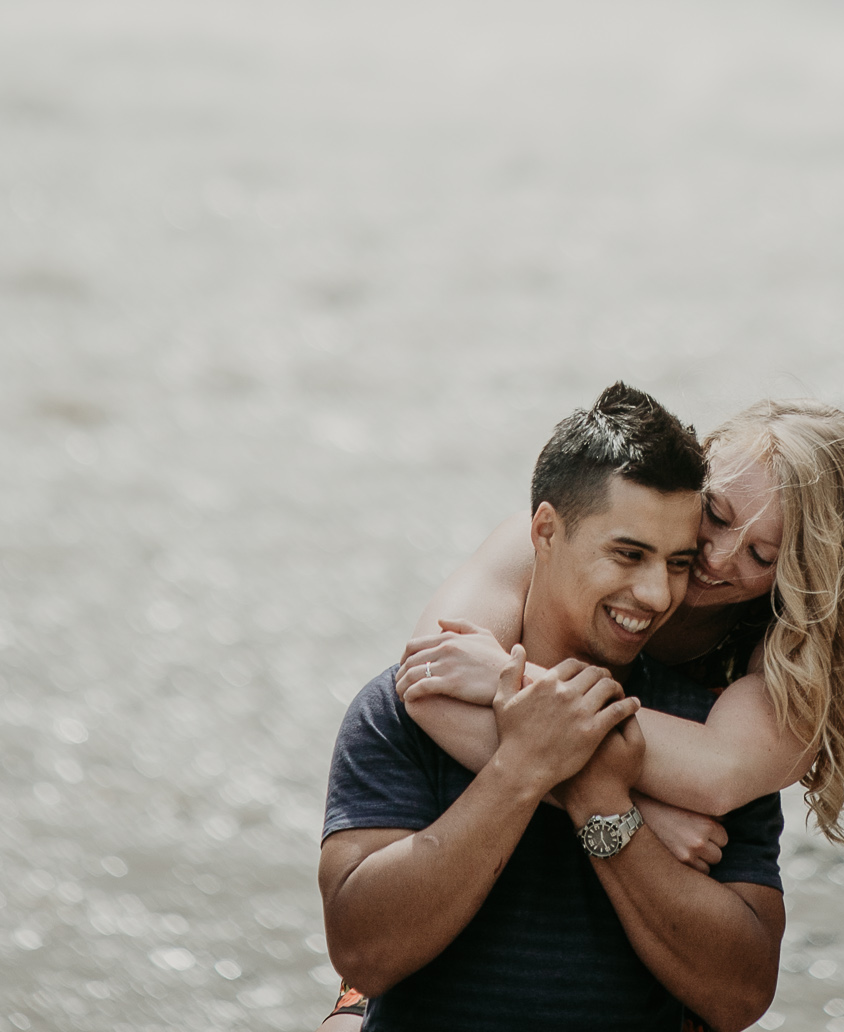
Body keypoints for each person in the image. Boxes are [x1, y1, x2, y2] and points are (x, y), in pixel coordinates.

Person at [318, 384, 786, 1032]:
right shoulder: (412, 703)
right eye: (627, 554)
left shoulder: (700, 731)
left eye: (677, 563)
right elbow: (363, 956)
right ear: (543, 531)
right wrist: (522, 769)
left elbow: (739, 998)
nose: (655, 594)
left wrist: (604, 801)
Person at [394, 396, 844, 857]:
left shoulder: (799, 649)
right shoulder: (550, 545)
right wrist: (636, 814)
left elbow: (715, 777)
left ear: (809, 574)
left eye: (762, 555)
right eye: (716, 516)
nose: (717, 559)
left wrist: (509, 678)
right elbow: (430, 682)